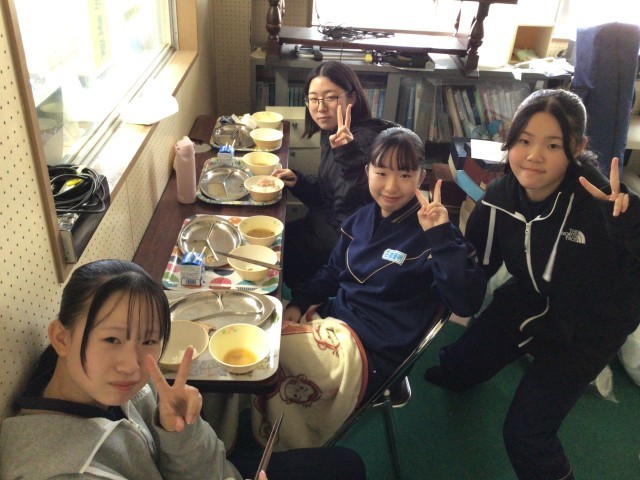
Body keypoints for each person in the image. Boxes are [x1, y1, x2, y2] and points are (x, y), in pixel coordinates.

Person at [423, 89, 640, 480]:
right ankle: (462, 370)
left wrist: (631, 229)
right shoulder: (499, 197)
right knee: (454, 367)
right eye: (524, 140)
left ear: (578, 147)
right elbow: (470, 290)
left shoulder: (606, 205)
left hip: (587, 329)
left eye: (552, 145)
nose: (534, 156)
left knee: (525, 435)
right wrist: (440, 239)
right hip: (527, 297)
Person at [0, 259, 367, 480]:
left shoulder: (103, 386)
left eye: (148, 340)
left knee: (346, 463)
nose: (132, 365)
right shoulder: (65, 470)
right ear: (61, 338)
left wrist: (178, 430)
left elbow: (209, 467)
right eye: (111, 339)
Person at [283, 127, 487, 402]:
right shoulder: (361, 218)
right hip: (335, 324)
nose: (391, 187)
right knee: (263, 341)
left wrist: (440, 238)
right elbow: (333, 272)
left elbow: (466, 303)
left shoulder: (437, 234)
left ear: (421, 177)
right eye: (381, 173)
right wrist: (299, 303)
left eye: (405, 175)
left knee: (271, 368)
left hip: (374, 355)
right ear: (368, 171)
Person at [272, 61, 398, 289]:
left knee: (271, 251)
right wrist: (298, 182)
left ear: (352, 98)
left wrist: (348, 153)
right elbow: (331, 196)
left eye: (330, 97)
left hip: (344, 247)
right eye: (313, 99)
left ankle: (305, 301)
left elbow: (366, 197)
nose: (320, 107)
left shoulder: (360, 140)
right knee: (274, 236)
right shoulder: (336, 133)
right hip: (324, 227)